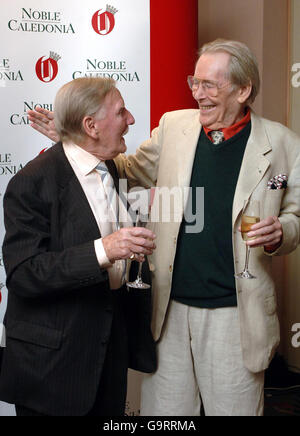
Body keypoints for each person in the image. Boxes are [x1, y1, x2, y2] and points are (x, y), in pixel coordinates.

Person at [27, 39, 300, 416]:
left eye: (209, 85)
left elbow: (295, 216)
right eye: (195, 81)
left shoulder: (284, 144)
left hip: (235, 316)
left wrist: (282, 232)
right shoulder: (174, 126)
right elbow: (123, 170)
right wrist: (77, 140)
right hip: (167, 311)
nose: (197, 94)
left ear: (243, 89)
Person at [0, 77, 157, 416]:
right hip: (51, 369)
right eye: (121, 112)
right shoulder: (31, 182)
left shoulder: (111, 168)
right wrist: (105, 249)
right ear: (91, 126)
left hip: (107, 361)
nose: (131, 120)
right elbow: (24, 274)